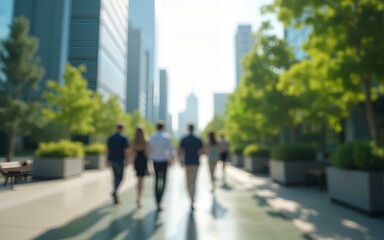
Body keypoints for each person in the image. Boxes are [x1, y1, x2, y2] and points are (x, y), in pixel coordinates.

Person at [149, 120, 173, 211]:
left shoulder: (152, 137)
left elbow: (149, 150)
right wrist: (171, 160)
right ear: (163, 127)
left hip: (155, 161)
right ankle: (160, 200)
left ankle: (157, 201)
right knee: (163, 181)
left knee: (156, 180)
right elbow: (170, 150)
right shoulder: (166, 137)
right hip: (163, 161)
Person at [179, 124, 203, 210]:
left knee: (189, 182)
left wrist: (181, 161)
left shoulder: (184, 139)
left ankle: (191, 198)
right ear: (194, 129)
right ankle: (192, 199)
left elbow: (180, 151)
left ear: (188, 129)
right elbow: (202, 150)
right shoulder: (198, 139)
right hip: (195, 162)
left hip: (187, 163)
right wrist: (198, 155)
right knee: (194, 181)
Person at [107, 123, 130, 205]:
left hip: (112, 160)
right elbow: (125, 150)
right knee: (120, 177)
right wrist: (127, 160)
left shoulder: (111, 137)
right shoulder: (124, 138)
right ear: (122, 128)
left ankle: (115, 193)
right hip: (120, 160)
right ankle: (115, 191)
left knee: (115, 177)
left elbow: (108, 149)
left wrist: (107, 160)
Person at [132, 125, 149, 208]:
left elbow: (132, 153)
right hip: (143, 161)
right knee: (141, 181)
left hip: (137, 160)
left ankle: (137, 196)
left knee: (138, 180)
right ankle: (139, 198)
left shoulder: (134, 141)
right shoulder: (146, 141)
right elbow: (146, 153)